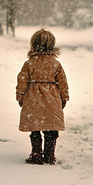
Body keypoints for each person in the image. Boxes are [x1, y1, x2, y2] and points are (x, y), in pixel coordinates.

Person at [16, 29, 69, 165]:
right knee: (51, 128)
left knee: (35, 128)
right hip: (52, 99)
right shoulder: (56, 64)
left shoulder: (29, 64)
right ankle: (50, 154)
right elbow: (63, 82)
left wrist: (20, 96)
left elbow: (22, 81)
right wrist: (64, 97)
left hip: (33, 99)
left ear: (33, 44)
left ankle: (36, 153)